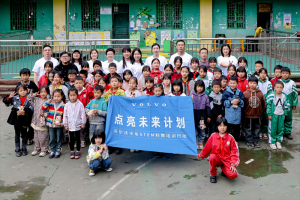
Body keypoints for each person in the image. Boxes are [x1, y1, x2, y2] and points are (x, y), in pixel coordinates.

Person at [197, 117, 239, 183]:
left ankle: (224, 169)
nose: (222, 128)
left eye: (224, 125)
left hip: (227, 159)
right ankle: (213, 174)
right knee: (212, 157)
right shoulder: (213, 136)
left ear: (227, 126)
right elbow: (206, 148)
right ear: (217, 126)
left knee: (233, 175)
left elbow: (234, 152)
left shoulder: (230, 137)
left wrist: (233, 164)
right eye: (220, 125)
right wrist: (201, 155)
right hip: (216, 158)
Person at [3, 85, 34, 157]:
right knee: (17, 134)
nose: (23, 92)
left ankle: (24, 149)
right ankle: (17, 149)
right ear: (17, 92)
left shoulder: (29, 98)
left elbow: (32, 108)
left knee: (24, 134)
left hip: (25, 118)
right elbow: (7, 104)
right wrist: (9, 97)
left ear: (27, 91)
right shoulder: (14, 98)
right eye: (21, 91)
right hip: (16, 118)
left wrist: (25, 111)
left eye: (24, 90)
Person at [267, 80, 291, 150]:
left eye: (281, 87)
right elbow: (269, 105)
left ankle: (279, 141)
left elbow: (287, 105)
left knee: (280, 128)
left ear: (283, 88)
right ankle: (272, 142)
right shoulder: (271, 95)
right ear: (274, 87)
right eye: (277, 87)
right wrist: (269, 114)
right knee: (273, 128)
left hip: (281, 115)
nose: (279, 89)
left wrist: (285, 112)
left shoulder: (284, 96)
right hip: (274, 115)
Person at [42, 89, 66, 159]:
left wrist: (62, 123)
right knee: (52, 138)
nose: (56, 98)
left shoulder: (64, 105)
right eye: (55, 96)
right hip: (51, 124)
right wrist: (47, 102)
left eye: (58, 96)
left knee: (59, 138)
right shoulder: (51, 103)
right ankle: (52, 150)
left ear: (62, 96)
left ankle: (58, 150)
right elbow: (43, 108)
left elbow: (65, 115)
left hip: (59, 125)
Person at [63, 88, 86, 159]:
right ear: (69, 96)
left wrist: (83, 123)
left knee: (78, 138)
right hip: (70, 125)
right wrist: (65, 124)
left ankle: (78, 150)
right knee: (71, 139)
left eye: (74, 95)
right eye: (71, 95)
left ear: (77, 95)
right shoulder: (67, 105)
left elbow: (82, 114)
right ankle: (72, 150)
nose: (72, 97)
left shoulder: (80, 104)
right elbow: (65, 115)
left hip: (78, 125)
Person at [243, 76, 266, 149]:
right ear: (248, 83)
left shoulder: (260, 93)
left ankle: (255, 141)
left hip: (258, 115)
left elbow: (263, 104)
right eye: (250, 83)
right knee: (248, 129)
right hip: (248, 115)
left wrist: (262, 111)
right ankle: (249, 141)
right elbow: (243, 105)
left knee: (257, 128)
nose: (252, 84)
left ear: (257, 84)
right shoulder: (245, 93)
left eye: (254, 83)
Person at [28, 85, 50, 157]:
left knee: (43, 137)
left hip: (43, 122)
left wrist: (45, 114)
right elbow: (28, 98)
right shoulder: (36, 99)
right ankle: (37, 149)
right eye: (41, 92)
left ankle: (44, 150)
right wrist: (33, 94)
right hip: (35, 121)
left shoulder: (49, 101)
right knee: (36, 137)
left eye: (45, 92)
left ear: (47, 93)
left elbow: (50, 112)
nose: (43, 93)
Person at [221, 76, 244, 142]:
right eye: (231, 83)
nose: (232, 85)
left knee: (237, 129)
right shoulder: (226, 92)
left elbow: (243, 102)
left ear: (237, 84)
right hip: (229, 116)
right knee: (228, 129)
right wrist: (231, 102)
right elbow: (223, 102)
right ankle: (227, 142)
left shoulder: (240, 92)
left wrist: (239, 101)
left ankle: (235, 142)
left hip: (237, 115)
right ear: (228, 83)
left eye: (234, 83)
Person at [191, 80, 211, 149]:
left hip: (202, 115)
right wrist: (190, 99)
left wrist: (208, 116)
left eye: (201, 87)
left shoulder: (205, 96)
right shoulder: (192, 96)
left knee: (202, 130)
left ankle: (200, 141)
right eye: (198, 87)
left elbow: (208, 107)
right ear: (195, 87)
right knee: (195, 130)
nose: (199, 88)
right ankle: (196, 141)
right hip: (194, 114)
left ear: (203, 87)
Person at [281, 67, 298, 140]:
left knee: (288, 118)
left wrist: (294, 104)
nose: (285, 75)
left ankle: (287, 132)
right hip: (280, 104)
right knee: (281, 118)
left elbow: (295, 94)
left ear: (289, 74)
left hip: (289, 104)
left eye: (286, 73)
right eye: (283, 73)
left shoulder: (292, 83)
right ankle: (281, 132)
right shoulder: (279, 82)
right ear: (281, 74)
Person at [257, 68, 273, 140]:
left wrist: (266, 102)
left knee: (265, 118)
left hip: (266, 104)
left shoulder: (269, 83)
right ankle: (260, 131)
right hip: (258, 103)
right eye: (261, 73)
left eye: (264, 73)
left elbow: (270, 93)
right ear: (259, 74)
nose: (263, 75)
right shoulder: (257, 82)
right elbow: (256, 93)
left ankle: (264, 131)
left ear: (266, 74)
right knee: (259, 118)